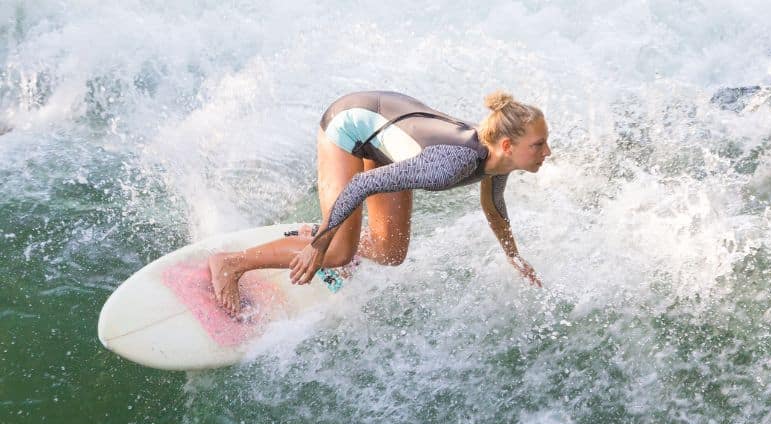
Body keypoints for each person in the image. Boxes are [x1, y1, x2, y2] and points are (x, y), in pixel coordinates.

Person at [209, 90, 551, 314]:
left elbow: (493, 205)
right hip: (349, 126)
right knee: (337, 252)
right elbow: (361, 184)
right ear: (507, 145)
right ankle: (231, 263)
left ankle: (320, 232)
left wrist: (514, 257)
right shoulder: (448, 166)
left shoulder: (496, 160)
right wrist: (320, 246)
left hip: (386, 139)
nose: (547, 152)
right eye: (538, 145)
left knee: (391, 251)